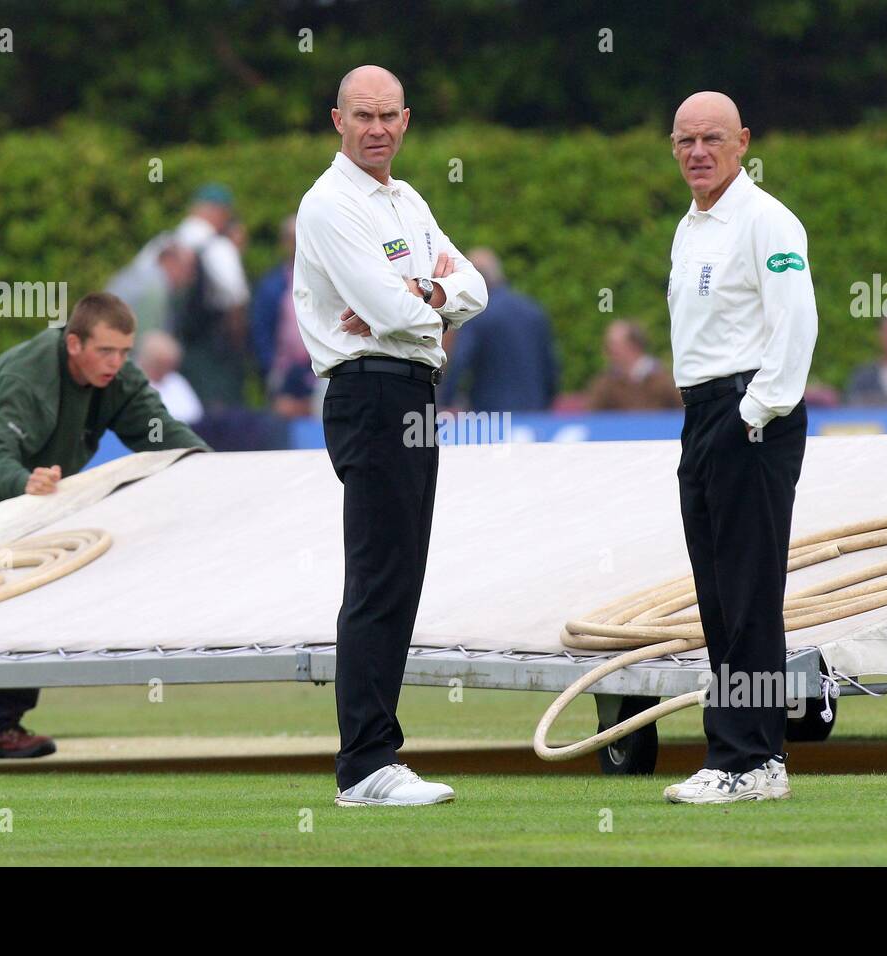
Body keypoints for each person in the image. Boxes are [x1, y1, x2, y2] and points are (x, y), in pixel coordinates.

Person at [293, 65, 487, 807]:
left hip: (412, 390)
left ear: (406, 121)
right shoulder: (328, 204)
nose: (377, 129)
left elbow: (472, 287)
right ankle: (366, 763)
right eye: (362, 116)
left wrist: (424, 295)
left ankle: (373, 757)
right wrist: (417, 302)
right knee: (379, 573)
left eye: (389, 117)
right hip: (369, 388)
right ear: (337, 120)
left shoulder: (405, 199)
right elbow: (387, 308)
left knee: (400, 572)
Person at [0, 293, 209, 759]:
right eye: (105, 351)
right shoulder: (29, 378)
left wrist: (217, 470)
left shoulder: (118, 380)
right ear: (73, 344)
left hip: (31, 504)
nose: (116, 363)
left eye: (125, 352)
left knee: (33, 603)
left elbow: (165, 435)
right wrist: (24, 481)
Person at [663, 91, 817, 804]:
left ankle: (750, 759)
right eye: (687, 139)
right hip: (703, 414)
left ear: (744, 142)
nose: (699, 151)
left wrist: (753, 413)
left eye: (713, 138)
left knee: (750, 592)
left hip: (749, 414)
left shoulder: (766, 220)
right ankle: (742, 754)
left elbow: (796, 328)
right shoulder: (690, 227)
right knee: (719, 595)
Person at [437, 248, 557, 411]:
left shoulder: (476, 314)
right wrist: (547, 400)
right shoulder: (533, 311)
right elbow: (550, 364)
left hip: (491, 413)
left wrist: (444, 399)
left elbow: (459, 361)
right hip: (535, 409)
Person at [174, 184, 251, 409]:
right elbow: (236, 299)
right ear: (217, 211)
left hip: (178, 345)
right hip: (214, 349)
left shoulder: (169, 241)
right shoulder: (219, 247)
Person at [250, 214, 312, 397]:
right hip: (283, 371)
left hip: (321, 371)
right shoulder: (272, 285)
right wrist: (271, 367)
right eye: (292, 239)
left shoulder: (327, 279)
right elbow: (261, 330)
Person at [587, 320, 682, 410]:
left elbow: (683, 409)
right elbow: (592, 415)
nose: (609, 350)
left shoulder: (662, 378)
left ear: (633, 345)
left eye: (614, 345)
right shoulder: (606, 382)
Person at [137, 330, 204, 425]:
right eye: (160, 365)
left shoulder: (176, 381)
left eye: (169, 365)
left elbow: (195, 414)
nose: (165, 370)